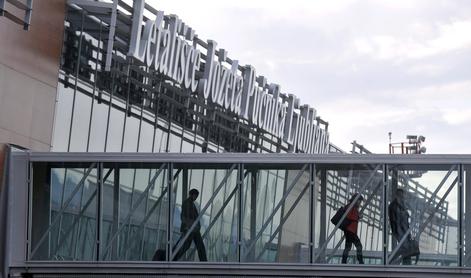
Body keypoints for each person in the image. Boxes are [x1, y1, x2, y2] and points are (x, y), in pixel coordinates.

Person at [173, 188, 208, 261]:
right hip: (190, 229)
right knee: (187, 246)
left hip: (193, 229)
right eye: (195, 196)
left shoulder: (192, 204)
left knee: (198, 245)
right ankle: (174, 258)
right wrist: (188, 226)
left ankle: (204, 261)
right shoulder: (187, 203)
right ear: (192, 195)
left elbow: (193, 217)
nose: (196, 198)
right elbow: (183, 217)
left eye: (197, 196)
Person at [388, 188, 412, 265]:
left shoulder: (401, 205)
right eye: (401, 196)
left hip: (404, 230)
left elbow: (404, 218)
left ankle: (391, 259)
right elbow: (396, 220)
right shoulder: (394, 206)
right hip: (400, 231)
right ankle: (390, 259)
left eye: (402, 196)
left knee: (406, 248)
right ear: (397, 196)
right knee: (405, 248)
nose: (402, 198)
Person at [341, 193, 364, 264]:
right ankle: (360, 261)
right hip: (350, 230)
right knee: (358, 245)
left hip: (350, 230)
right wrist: (358, 217)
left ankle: (344, 262)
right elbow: (349, 217)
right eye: (359, 200)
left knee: (348, 247)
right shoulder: (351, 207)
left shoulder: (351, 207)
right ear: (355, 200)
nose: (360, 203)